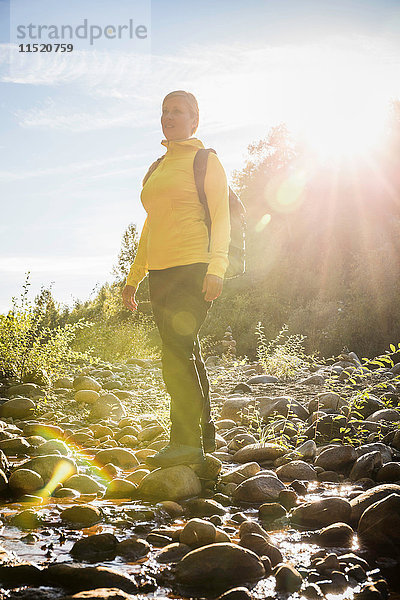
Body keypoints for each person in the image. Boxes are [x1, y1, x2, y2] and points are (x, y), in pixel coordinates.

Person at [122, 90, 230, 468]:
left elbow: (221, 218)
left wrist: (217, 268)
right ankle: (205, 435)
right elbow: (150, 227)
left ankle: (184, 441)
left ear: (194, 121)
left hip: (194, 269)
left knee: (175, 352)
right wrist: (134, 277)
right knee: (186, 350)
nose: (169, 117)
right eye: (164, 111)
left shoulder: (205, 160)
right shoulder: (157, 167)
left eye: (177, 111)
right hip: (160, 274)